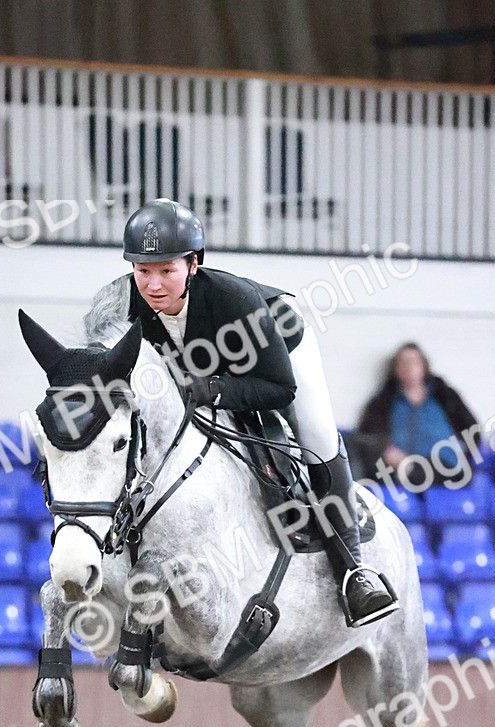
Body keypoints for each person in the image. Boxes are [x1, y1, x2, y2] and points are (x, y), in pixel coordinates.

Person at [117, 198, 397, 627]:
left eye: (167, 270)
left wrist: (212, 389)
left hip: (276, 345)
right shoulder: (127, 304)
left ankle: (355, 572)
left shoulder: (234, 299)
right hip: (206, 368)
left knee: (318, 436)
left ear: (193, 265)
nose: (153, 285)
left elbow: (279, 388)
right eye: (143, 271)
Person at [347, 343, 479, 488]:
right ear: (395, 369)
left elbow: (473, 431)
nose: (409, 367)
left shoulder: (445, 396)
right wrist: (385, 449)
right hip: (399, 468)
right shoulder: (383, 402)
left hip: (445, 466)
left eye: (413, 361)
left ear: (423, 365)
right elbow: (367, 437)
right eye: (403, 363)